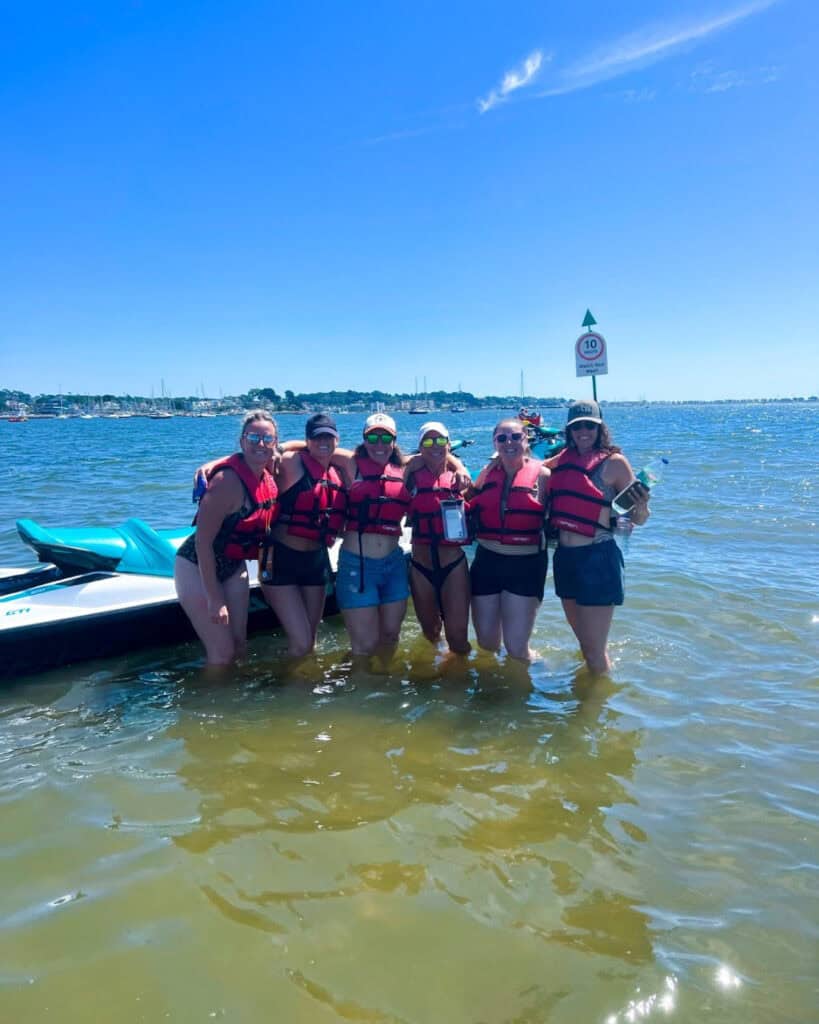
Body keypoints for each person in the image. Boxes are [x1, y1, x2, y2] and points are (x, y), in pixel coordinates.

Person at [544, 399, 650, 675]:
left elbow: (638, 519)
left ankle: (601, 699)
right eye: (577, 426)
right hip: (565, 559)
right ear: (569, 430)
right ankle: (588, 691)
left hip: (598, 558)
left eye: (589, 426)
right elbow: (526, 468)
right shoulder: (560, 460)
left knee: (593, 652)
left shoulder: (615, 463)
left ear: (600, 428)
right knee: (585, 644)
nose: (583, 431)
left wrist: (642, 504)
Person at [175, 411, 279, 666]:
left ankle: (235, 691)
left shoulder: (269, 469)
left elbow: (306, 446)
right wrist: (214, 599)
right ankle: (206, 692)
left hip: (233, 565)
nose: (260, 444)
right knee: (222, 654)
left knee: (240, 645)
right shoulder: (225, 482)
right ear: (242, 441)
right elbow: (203, 543)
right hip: (196, 565)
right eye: (253, 438)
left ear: (275, 443)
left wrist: (266, 578)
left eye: (267, 438)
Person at [260, 413, 347, 658]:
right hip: (278, 559)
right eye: (316, 437)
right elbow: (253, 458)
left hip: (316, 561)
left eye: (328, 437)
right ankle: (286, 682)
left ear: (337, 440)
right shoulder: (290, 462)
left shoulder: (338, 470)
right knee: (302, 643)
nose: (323, 442)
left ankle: (292, 675)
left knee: (310, 642)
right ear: (307, 440)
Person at [466, 418, 550, 661]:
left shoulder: (543, 475)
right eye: (502, 438)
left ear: (526, 440)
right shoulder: (487, 474)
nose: (509, 442)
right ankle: (496, 679)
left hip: (526, 565)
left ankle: (537, 667)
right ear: (495, 443)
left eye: (515, 437)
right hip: (486, 562)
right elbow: (467, 499)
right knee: (486, 643)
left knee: (516, 648)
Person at [329, 413, 412, 658]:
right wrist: (279, 449)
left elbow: (441, 455)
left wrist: (459, 467)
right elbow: (313, 446)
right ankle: (359, 680)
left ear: (394, 441)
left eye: (386, 438)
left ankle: (386, 681)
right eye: (373, 438)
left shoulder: (405, 468)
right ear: (364, 440)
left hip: (394, 564)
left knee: (390, 636)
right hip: (358, 564)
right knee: (364, 645)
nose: (379, 444)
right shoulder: (350, 462)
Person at [404, 421, 471, 655]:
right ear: (420, 447)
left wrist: (459, 465)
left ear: (449, 445)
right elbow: (387, 477)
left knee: (458, 638)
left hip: (453, 565)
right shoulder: (410, 477)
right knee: (431, 634)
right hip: (421, 567)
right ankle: (441, 665)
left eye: (441, 440)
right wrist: (409, 464)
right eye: (428, 441)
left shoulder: (460, 479)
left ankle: (460, 671)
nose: (435, 445)